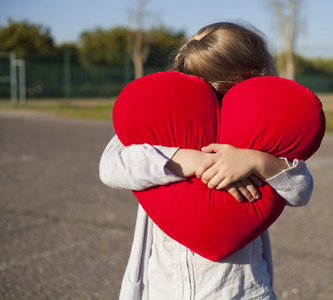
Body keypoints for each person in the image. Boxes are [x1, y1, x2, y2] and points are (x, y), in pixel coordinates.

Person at [100, 22, 315, 300]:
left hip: (242, 290)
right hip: (165, 289)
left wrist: (261, 162)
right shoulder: (160, 123)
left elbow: (301, 191)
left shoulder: (259, 135)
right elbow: (111, 166)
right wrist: (188, 159)